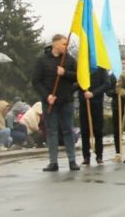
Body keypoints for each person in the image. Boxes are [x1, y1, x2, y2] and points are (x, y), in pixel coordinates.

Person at [32, 34, 79, 175]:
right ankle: (53, 162)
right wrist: (47, 96)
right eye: (64, 44)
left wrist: (65, 73)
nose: (66, 46)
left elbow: (78, 77)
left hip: (66, 101)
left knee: (68, 130)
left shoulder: (70, 60)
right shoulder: (42, 60)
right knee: (51, 131)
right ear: (55, 44)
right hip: (50, 102)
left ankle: (72, 160)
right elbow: (35, 81)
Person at [79, 65, 108, 166]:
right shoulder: (82, 67)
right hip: (84, 103)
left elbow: (106, 84)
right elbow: (76, 81)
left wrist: (93, 93)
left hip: (96, 103)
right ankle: (86, 157)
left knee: (98, 131)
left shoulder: (101, 68)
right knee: (85, 131)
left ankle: (99, 156)